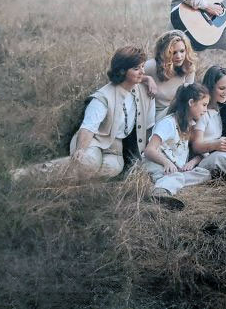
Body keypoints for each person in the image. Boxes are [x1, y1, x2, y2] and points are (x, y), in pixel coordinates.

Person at [66, 46, 156, 178]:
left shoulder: (144, 91)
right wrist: (80, 149)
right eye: (136, 69)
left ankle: (79, 184)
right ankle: (36, 173)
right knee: (88, 163)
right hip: (93, 139)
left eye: (142, 66)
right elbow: (88, 128)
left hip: (115, 146)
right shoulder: (104, 96)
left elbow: (149, 127)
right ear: (122, 71)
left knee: (112, 169)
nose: (142, 72)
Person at [143, 83, 212, 201]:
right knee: (176, 176)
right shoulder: (168, 123)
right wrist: (166, 163)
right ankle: (160, 192)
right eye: (204, 105)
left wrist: (192, 162)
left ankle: (169, 183)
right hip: (157, 163)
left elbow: (197, 152)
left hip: (175, 169)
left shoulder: (190, 125)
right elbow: (149, 150)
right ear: (191, 103)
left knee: (204, 173)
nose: (206, 110)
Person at [144, 30, 197, 122]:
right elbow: (129, 75)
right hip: (154, 116)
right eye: (173, 52)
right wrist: (147, 78)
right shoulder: (152, 66)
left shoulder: (188, 67)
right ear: (164, 53)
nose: (179, 56)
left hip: (177, 114)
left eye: (182, 51)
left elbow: (188, 98)